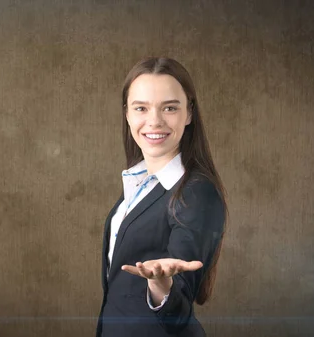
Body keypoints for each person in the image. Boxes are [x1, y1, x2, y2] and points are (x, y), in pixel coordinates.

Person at [96, 57, 228, 337]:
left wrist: (161, 286)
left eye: (169, 108)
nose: (154, 121)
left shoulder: (197, 192)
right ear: (127, 114)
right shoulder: (140, 181)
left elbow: (178, 308)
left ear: (189, 113)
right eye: (141, 108)